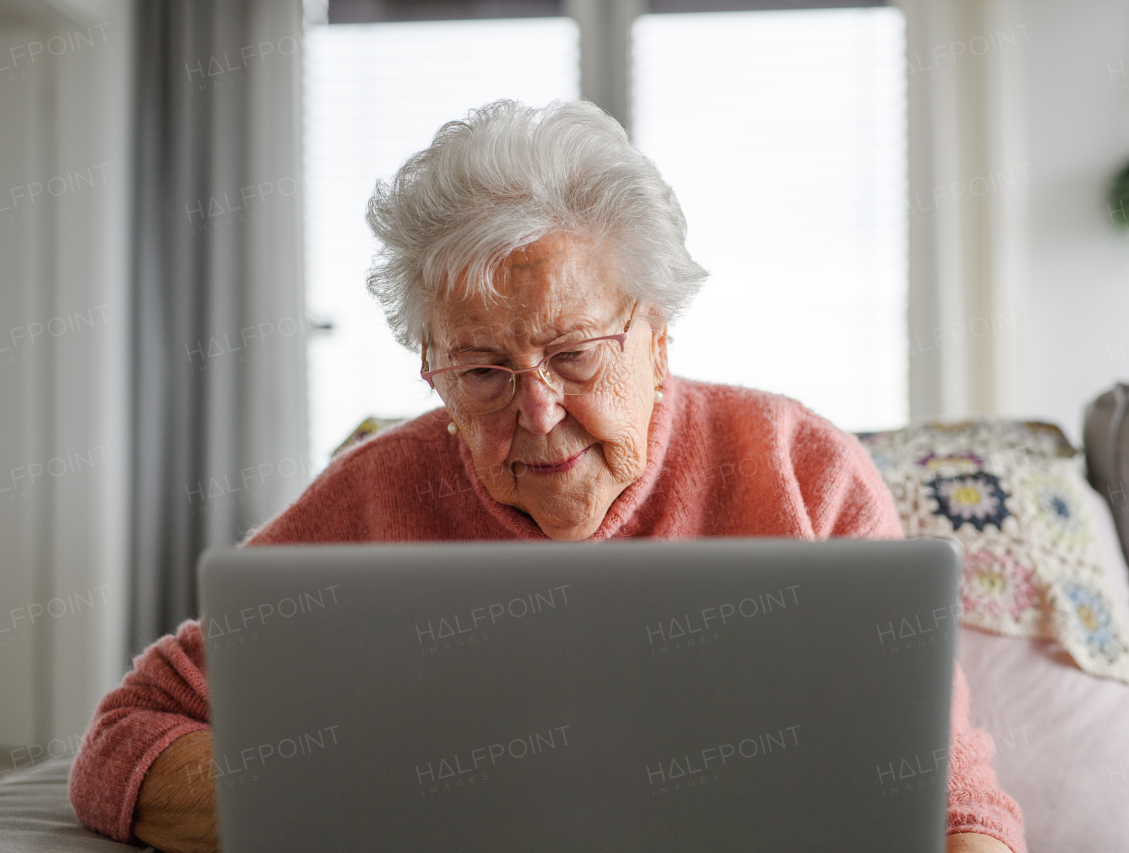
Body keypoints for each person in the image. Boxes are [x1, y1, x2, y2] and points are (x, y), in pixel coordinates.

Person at [69, 99, 1025, 853]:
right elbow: (127, 741)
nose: (536, 411)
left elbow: (950, 799)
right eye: (483, 370)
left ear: (658, 341)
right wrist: (390, 806)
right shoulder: (370, 499)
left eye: (574, 354)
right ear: (435, 375)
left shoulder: (803, 472)